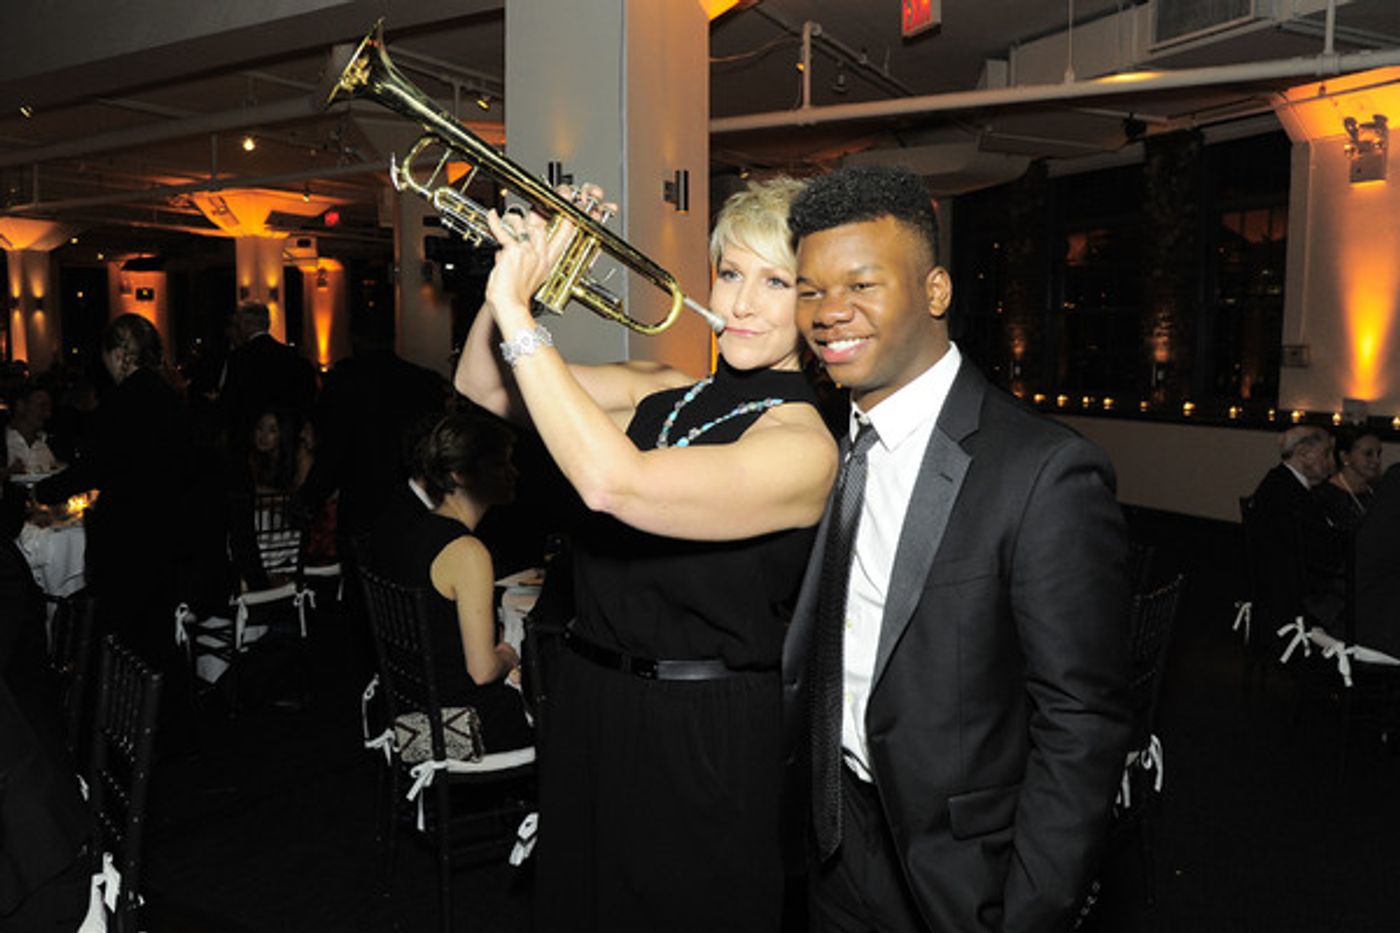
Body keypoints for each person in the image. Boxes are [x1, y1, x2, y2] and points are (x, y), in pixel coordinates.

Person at [455, 177, 837, 933]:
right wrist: (524, 272)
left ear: (814, 303)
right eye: (731, 273)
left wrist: (518, 312)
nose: (744, 303)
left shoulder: (802, 441)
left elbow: (612, 484)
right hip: (593, 699)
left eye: (777, 282)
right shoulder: (664, 389)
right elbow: (479, 382)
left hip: (704, 729)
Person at [780, 165, 1132, 933]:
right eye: (809, 290)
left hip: (961, 875)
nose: (829, 311)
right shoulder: (815, 440)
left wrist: (1030, 913)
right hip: (834, 837)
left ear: (935, 292)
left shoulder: (1042, 471)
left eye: (862, 284)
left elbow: (1081, 723)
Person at [367, 412, 531, 752]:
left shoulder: (413, 530)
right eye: (500, 464)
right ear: (459, 475)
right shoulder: (467, 552)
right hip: (457, 725)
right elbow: (482, 671)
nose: (513, 473)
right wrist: (507, 656)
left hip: (406, 709)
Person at [37, 314, 192, 668]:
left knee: (124, 631)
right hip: (165, 529)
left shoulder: (123, 402)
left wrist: (44, 491)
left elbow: (96, 466)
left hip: (128, 534)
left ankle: (124, 711)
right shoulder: (170, 399)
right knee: (155, 631)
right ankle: (155, 710)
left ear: (121, 353)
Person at [1249, 424, 1344, 630]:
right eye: (1326, 453)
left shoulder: (1284, 482)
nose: (1332, 462)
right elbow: (1315, 550)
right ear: (1303, 453)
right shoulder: (1285, 492)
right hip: (1291, 599)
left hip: (1291, 585)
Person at [219, 300, 317, 449]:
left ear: (244, 325)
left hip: (248, 435)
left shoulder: (239, 358)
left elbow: (230, 400)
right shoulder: (293, 357)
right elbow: (307, 396)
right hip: (285, 434)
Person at [1316, 425, 1382, 530]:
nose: (1376, 460)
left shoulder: (1378, 491)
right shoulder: (1324, 496)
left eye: (1379, 454)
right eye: (1368, 454)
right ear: (1345, 456)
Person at [5, 383, 58, 476]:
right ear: (20, 406)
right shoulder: (5, 441)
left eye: (49, 407)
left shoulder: (50, 442)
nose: (48, 413)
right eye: (42, 406)